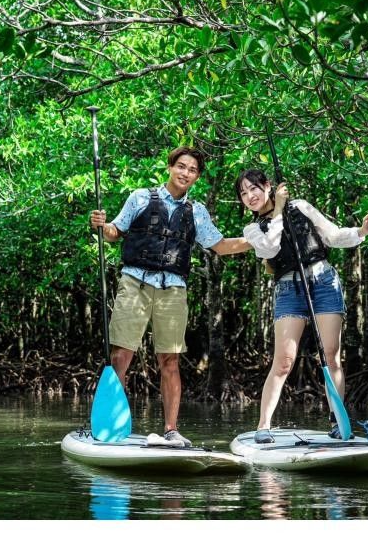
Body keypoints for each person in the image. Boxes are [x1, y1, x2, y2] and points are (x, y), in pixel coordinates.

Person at [90, 146, 250, 447]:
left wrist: (256, 240)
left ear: (197, 177)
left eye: (192, 170)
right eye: (181, 166)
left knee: (170, 359)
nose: (185, 173)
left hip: (173, 290)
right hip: (135, 282)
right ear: (170, 167)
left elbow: (220, 245)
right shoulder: (140, 197)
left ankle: (171, 430)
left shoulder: (197, 212)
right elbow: (115, 232)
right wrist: (101, 226)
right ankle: (112, 426)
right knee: (121, 356)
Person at [235, 169, 368, 444]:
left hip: (324, 281)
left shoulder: (300, 207)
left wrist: (362, 231)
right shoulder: (252, 230)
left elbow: (333, 236)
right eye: (243, 193)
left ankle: (338, 422)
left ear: (267, 186)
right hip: (289, 289)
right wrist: (277, 209)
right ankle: (263, 425)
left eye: (253, 188)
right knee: (284, 361)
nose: (249, 196)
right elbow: (270, 248)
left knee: (331, 354)